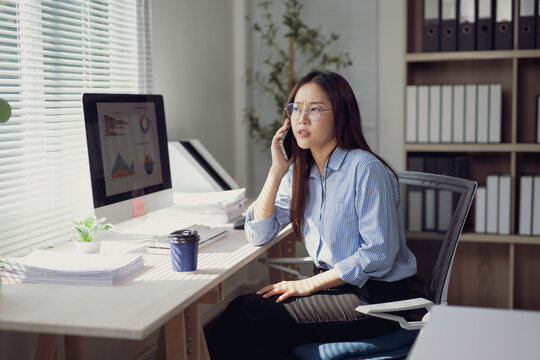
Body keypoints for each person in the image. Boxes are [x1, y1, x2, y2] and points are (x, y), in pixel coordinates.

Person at [206, 71, 417, 360]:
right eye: (296, 108)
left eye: (315, 109)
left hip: (375, 299)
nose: (301, 118)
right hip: (333, 287)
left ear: (340, 116)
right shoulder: (299, 172)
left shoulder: (365, 169)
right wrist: (276, 169)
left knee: (248, 316)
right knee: (249, 320)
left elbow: (379, 253)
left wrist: (308, 284)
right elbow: (259, 233)